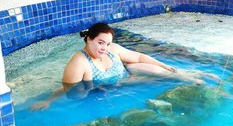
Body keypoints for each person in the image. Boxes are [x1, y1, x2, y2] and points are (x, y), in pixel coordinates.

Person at [31, 22, 220, 110]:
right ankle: (195, 80)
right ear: (88, 39)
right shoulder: (79, 62)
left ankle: (195, 73)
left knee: (164, 71)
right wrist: (48, 100)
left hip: (127, 75)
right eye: (100, 42)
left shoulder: (112, 49)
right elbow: (69, 88)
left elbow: (138, 56)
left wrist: (164, 63)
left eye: (107, 43)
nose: (104, 48)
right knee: (163, 79)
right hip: (115, 85)